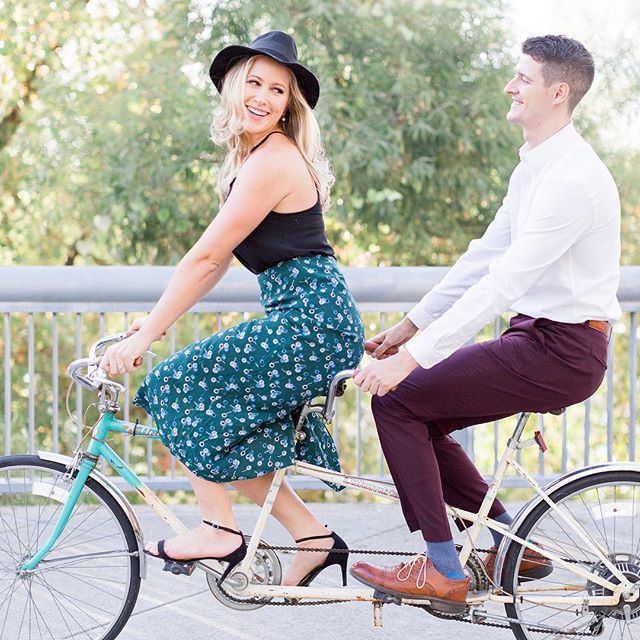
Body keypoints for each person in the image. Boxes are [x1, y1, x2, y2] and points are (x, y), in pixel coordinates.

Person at [350, 35, 620, 613]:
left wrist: (409, 362)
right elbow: (482, 258)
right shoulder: (537, 166)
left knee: (398, 401)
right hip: (540, 339)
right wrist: (408, 329)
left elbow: (505, 283)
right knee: (422, 411)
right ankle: (512, 544)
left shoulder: (572, 179)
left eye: (522, 78)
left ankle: (444, 571)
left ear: (558, 91)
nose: (510, 86)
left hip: (562, 350)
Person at [100, 31, 364, 587]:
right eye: (254, 82)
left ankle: (218, 530)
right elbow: (214, 263)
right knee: (227, 428)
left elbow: (205, 258)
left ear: (289, 105)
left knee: (174, 386)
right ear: (232, 86)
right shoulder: (255, 157)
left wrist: (145, 340)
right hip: (307, 318)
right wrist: (151, 322)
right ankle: (314, 538)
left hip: (311, 322)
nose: (263, 97)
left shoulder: (273, 160)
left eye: (277, 89)